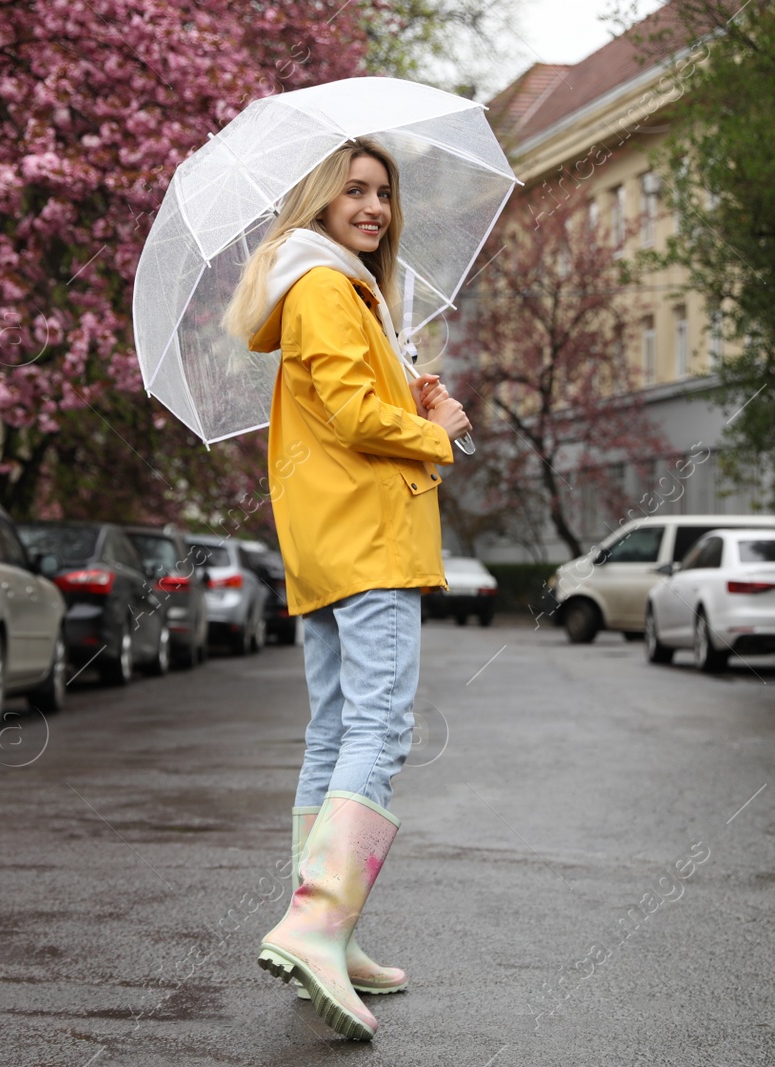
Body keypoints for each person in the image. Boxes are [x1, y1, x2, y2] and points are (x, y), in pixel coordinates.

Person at [221, 138, 472, 1041]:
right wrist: (435, 428)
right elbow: (357, 419)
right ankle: (318, 922)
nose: (374, 207)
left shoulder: (324, 289)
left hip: (332, 540)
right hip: (368, 541)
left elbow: (348, 407)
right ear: (319, 203)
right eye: (354, 191)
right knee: (379, 726)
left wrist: (410, 390)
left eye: (383, 193)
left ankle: (333, 927)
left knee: (333, 728)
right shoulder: (326, 285)